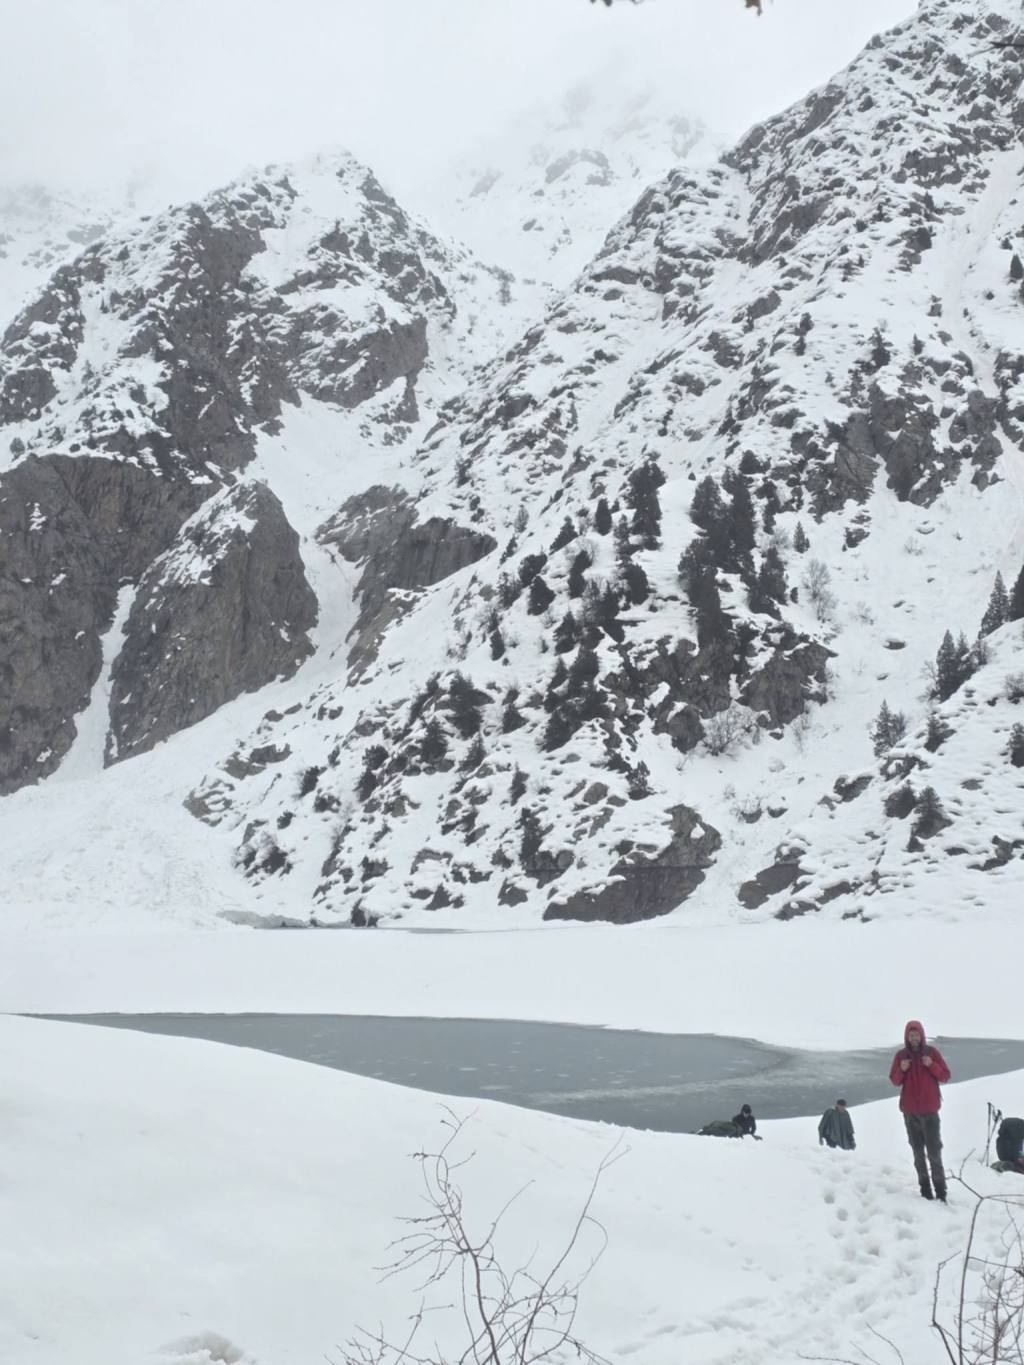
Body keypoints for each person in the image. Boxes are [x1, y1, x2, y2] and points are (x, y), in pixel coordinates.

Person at [889, 1020, 951, 1201]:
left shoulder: (932, 1053)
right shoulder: (901, 1056)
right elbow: (894, 1080)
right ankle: (925, 1191)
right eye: (910, 1035)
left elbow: (945, 1075)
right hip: (910, 1112)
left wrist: (931, 1064)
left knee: (934, 1152)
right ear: (907, 1037)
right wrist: (901, 1069)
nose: (913, 1037)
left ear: (921, 1035)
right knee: (918, 1153)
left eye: (916, 1034)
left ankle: (941, 1191)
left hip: (930, 1112)